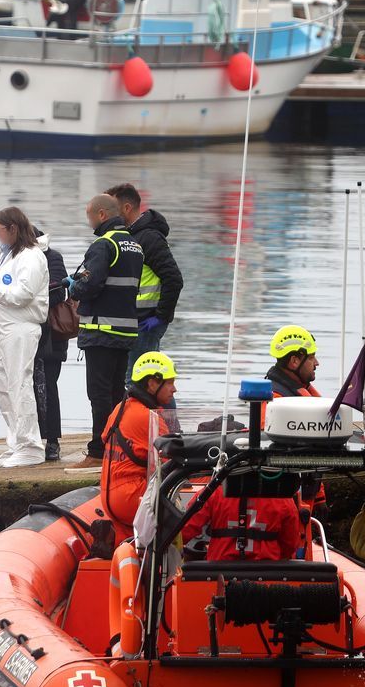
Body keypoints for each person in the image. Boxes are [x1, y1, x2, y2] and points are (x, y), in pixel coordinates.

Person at [66, 194, 144, 470]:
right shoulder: (134, 246)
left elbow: (89, 285)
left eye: (89, 216)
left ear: (101, 214)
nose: (89, 222)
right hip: (124, 332)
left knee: (98, 394)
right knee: (115, 394)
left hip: (101, 330)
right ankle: (115, 449)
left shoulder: (104, 244)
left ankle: (97, 452)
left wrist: (73, 286)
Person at [0, 207, 50, 468]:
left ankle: (31, 445)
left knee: (20, 384)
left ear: (13, 229)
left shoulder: (32, 256)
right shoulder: (7, 256)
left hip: (21, 328)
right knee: (4, 387)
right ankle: (17, 442)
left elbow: (22, 294)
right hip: (3, 328)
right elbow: (1, 296)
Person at [106, 183, 183, 372]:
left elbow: (174, 279)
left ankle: (161, 403)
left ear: (126, 208)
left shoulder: (149, 238)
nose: (108, 214)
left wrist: (161, 316)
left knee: (143, 381)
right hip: (132, 321)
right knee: (136, 381)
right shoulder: (127, 236)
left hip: (145, 324)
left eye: (112, 208)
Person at [100, 352, 177, 541]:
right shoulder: (150, 419)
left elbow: (104, 438)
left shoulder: (120, 408)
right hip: (133, 499)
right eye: (169, 382)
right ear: (152, 383)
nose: (174, 389)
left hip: (109, 498)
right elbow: (174, 461)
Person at [264, 324, 327, 521]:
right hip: (284, 500)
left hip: (302, 495)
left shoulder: (296, 393)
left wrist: (319, 498)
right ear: (294, 361)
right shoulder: (275, 400)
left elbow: (313, 454)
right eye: (311, 357)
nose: (317, 363)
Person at [182, 486, 302, 562]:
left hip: (218, 575)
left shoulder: (212, 492)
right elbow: (290, 545)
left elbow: (183, 531)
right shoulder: (283, 498)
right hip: (266, 580)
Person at [33, 224, 68, 462]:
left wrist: (26, 296)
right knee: (28, 389)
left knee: (48, 388)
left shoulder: (52, 257)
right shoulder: (12, 259)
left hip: (51, 337)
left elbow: (59, 292)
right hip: (27, 333)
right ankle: (33, 438)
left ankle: (52, 440)